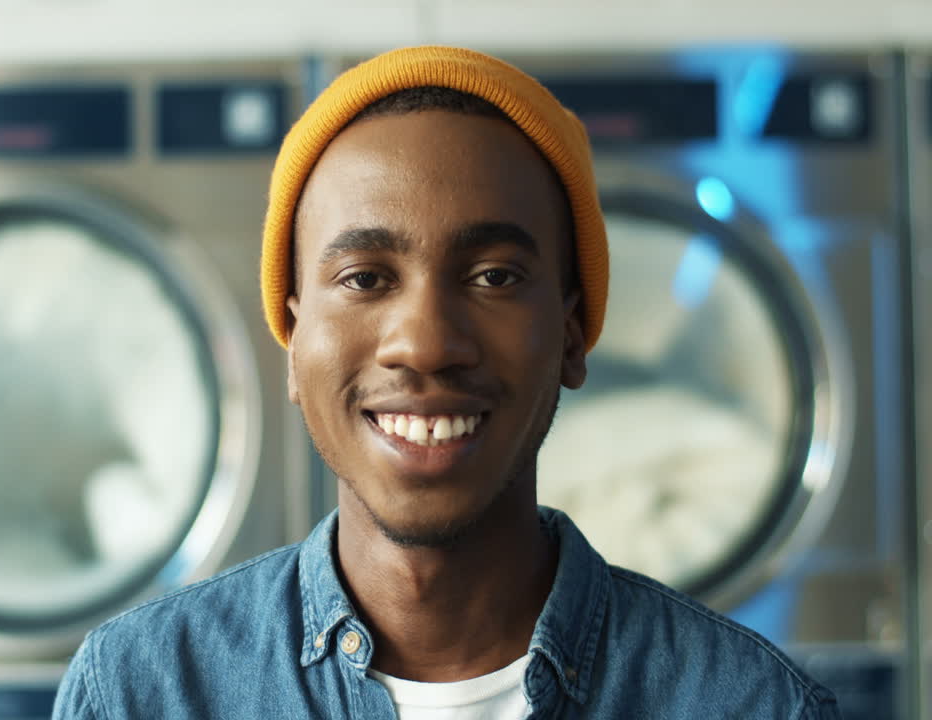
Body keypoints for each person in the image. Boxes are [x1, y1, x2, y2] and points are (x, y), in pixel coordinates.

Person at [51, 45, 841, 719]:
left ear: (572, 334)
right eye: (364, 278)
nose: (425, 345)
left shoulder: (748, 703)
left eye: (494, 276)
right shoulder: (141, 690)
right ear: (293, 343)